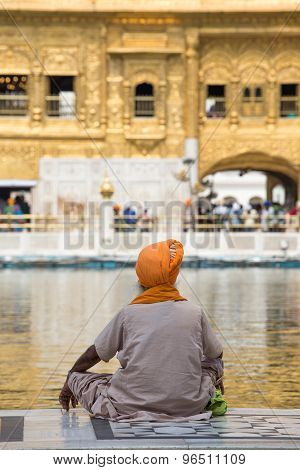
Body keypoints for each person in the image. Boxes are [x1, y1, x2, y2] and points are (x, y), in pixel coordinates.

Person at [59, 239, 226, 421]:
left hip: (127, 405)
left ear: (141, 278)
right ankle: (206, 393)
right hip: (189, 406)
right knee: (214, 364)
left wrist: (70, 377)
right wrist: (214, 378)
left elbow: (94, 354)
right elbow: (216, 354)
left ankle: (73, 380)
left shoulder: (128, 314)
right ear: (174, 277)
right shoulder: (195, 312)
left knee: (79, 376)